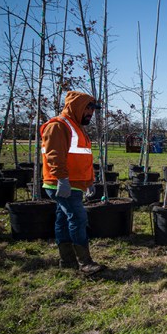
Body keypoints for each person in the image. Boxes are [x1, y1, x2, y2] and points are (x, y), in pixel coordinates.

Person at [41, 90, 104, 275]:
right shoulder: (58, 126)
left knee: (63, 218)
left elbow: (82, 158)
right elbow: (54, 155)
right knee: (78, 218)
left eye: (93, 109)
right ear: (76, 106)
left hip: (75, 183)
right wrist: (62, 179)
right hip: (62, 183)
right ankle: (84, 263)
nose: (91, 113)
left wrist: (89, 181)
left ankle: (67, 260)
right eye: (88, 108)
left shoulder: (76, 127)